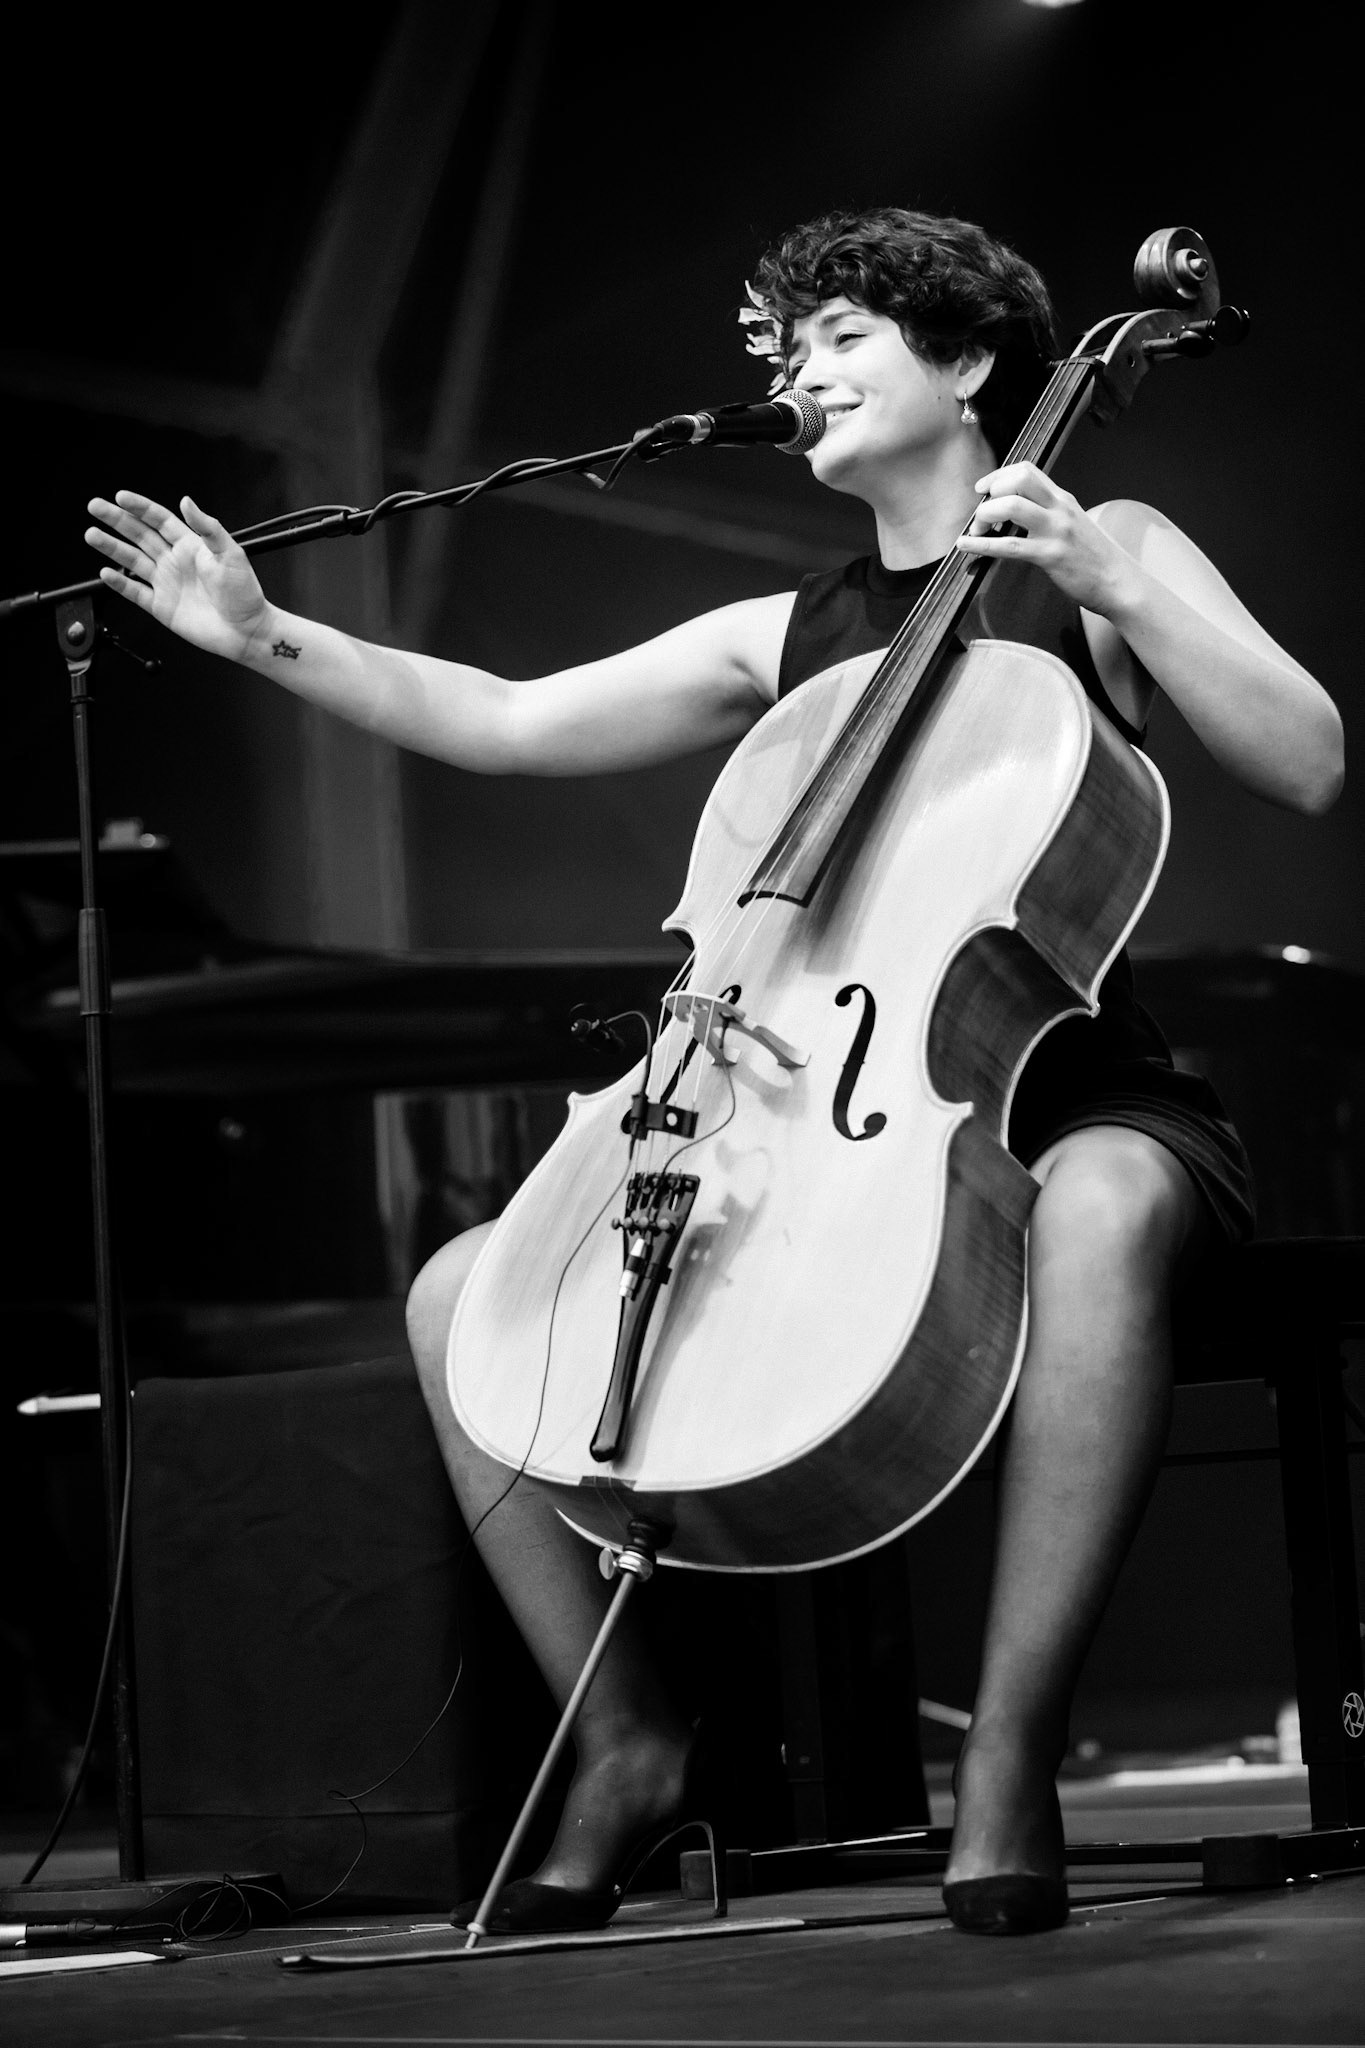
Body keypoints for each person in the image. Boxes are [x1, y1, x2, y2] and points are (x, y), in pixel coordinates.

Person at [84, 208, 1343, 1936]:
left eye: (839, 336)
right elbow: (511, 722)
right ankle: (624, 1747)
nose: (795, 373)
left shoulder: (1098, 542)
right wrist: (256, 637)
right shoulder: (787, 631)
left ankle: (1007, 1757)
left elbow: (1307, 759)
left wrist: (1120, 584)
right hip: (819, 1108)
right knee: (469, 1292)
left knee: (1107, 1200)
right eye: (781, 350)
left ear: (969, 363)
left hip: (1057, 1094)